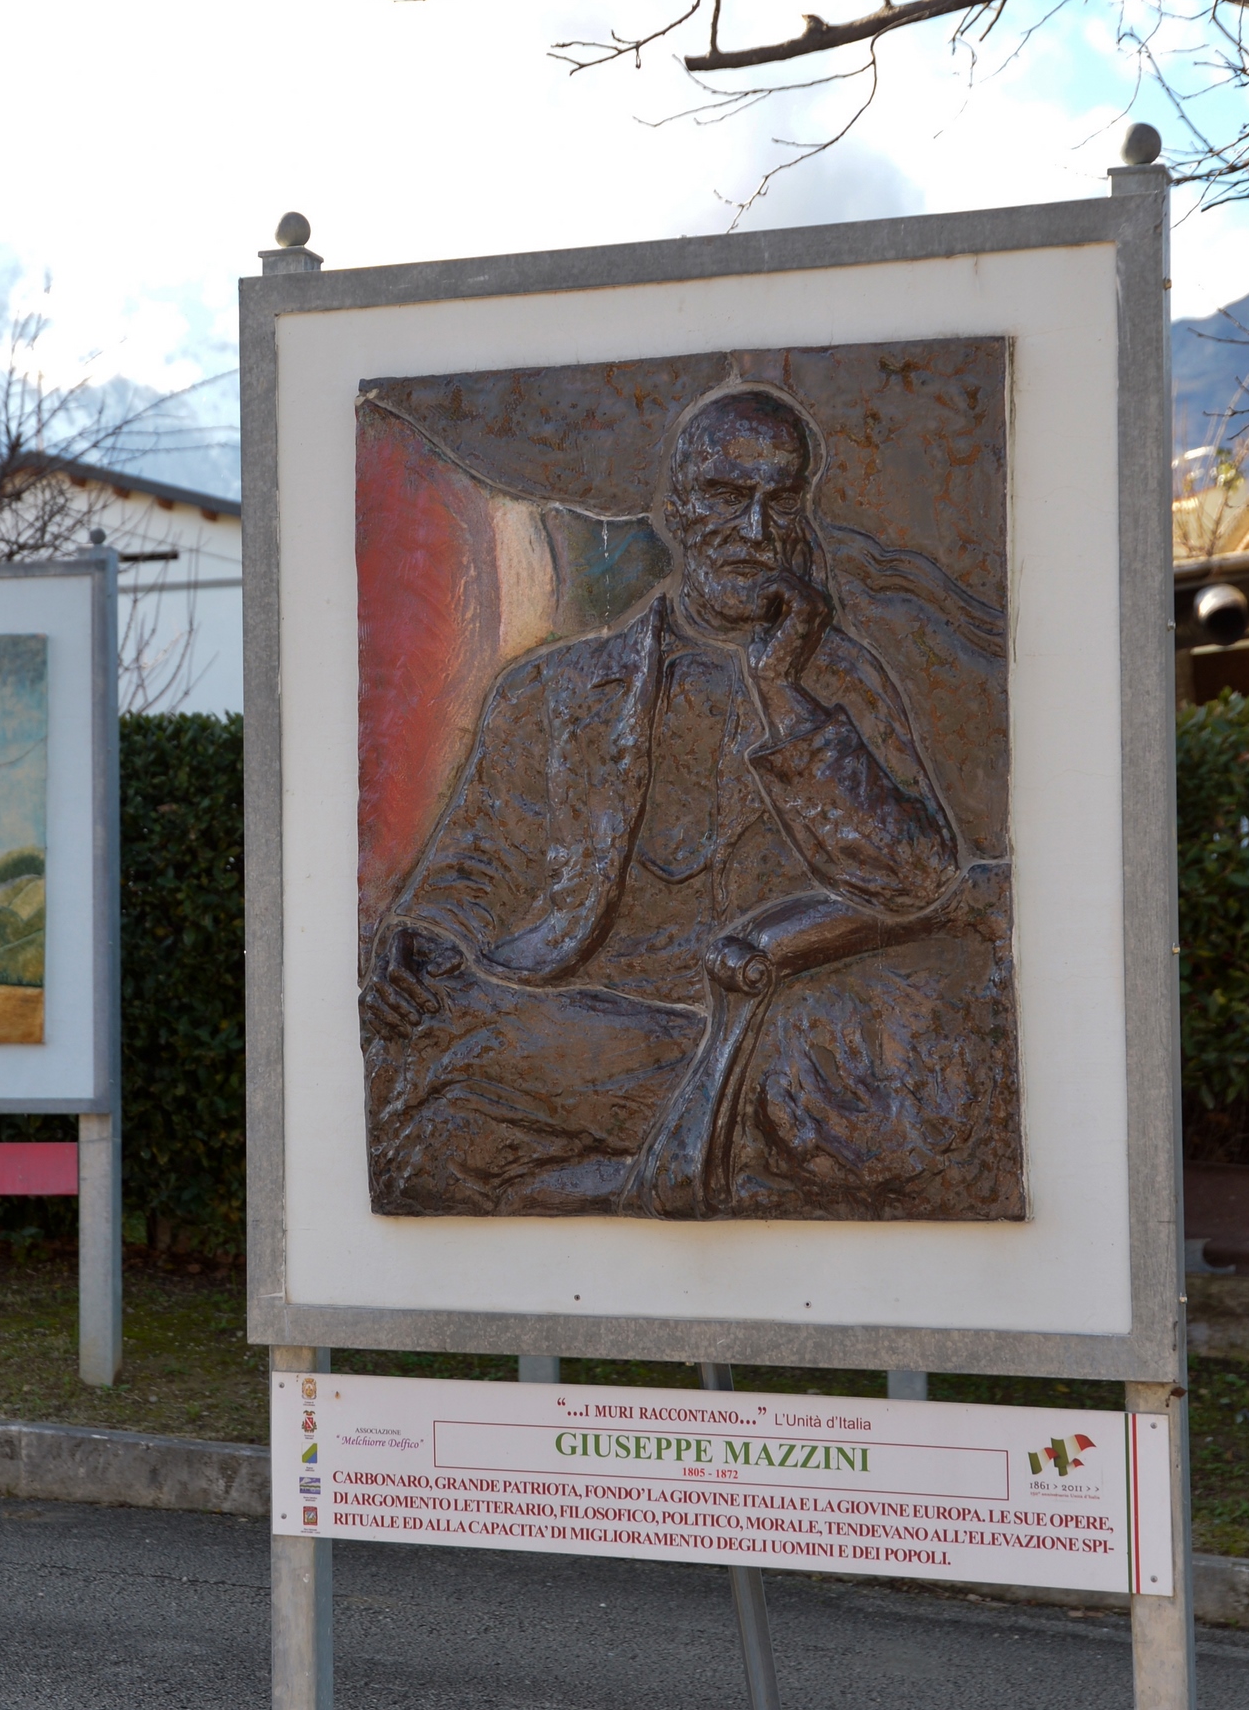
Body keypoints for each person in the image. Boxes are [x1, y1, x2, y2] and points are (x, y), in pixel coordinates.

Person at [360, 384, 1018, 1220]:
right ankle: (719, 1140)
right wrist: (424, 937)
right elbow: (480, 859)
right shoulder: (552, 692)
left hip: (762, 1018)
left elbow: (920, 878)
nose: (752, 530)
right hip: (584, 1012)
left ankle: (717, 1124)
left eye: (778, 501)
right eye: (724, 495)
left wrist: (786, 696)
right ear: (674, 507)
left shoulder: (840, 683)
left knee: (471, 1070)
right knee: (433, 1088)